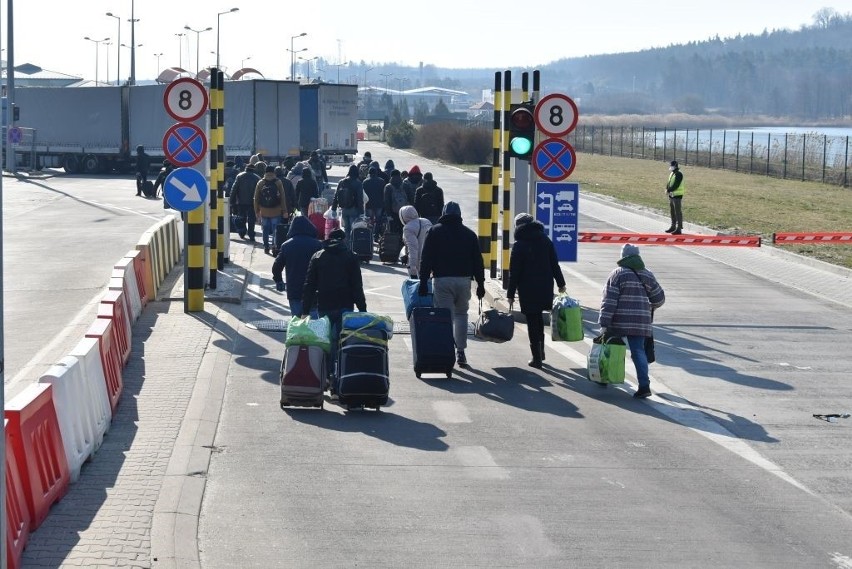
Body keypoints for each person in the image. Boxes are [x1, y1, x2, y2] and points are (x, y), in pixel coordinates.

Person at [418, 201, 486, 368]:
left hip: (442, 280)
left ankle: (446, 351)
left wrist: (423, 282)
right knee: (461, 315)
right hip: (463, 281)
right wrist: (481, 284)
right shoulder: (469, 234)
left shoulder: (434, 232)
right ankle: (461, 351)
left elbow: (426, 259)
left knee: (444, 318)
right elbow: (478, 261)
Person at [301, 228, 368, 392]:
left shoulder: (318, 256)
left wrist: (305, 310)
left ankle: (327, 376)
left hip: (325, 305)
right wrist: (362, 309)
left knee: (326, 342)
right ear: (343, 240)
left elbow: (309, 285)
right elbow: (357, 286)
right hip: (345, 305)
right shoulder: (351, 257)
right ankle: (341, 377)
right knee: (343, 342)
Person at [598, 244, 665, 399]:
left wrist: (604, 323)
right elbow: (659, 298)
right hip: (641, 321)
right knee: (638, 351)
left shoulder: (617, 274)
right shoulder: (648, 274)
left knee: (612, 347)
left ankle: (606, 376)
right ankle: (644, 386)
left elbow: (609, 301)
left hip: (618, 321)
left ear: (623, 256)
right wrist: (648, 307)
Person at [506, 213, 566, 368]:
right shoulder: (545, 240)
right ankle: (541, 352)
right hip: (545, 287)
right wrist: (561, 284)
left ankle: (537, 357)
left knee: (533, 321)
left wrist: (510, 294)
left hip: (528, 288)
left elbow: (515, 272)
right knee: (539, 319)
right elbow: (555, 264)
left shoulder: (519, 245)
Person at [271, 215, 323, 318]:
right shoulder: (317, 245)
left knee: (297, 322)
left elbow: (276, 267)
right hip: (313, 289)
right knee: (313, 322)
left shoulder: (286, 245)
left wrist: (279, 281)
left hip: (294, 289)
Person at [254, 164, 290, 255]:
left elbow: (256, 198)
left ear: (265, 172)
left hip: (264, 211)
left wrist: (257, 211)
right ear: (274, 172)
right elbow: (282, 197)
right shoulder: (278, 182)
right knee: (275, 230)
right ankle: (274, 247)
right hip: (276, 210)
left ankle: (266, 247)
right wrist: (285, 211)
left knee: (265, 230)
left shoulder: (260, 182)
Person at [331, 164, 365, 245]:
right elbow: (360, 199)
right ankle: (353, 247)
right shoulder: (358, 183)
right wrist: (362, 212)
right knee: (354, 229)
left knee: (346, 229)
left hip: (344, 209)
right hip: (354, 209)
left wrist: (333, 208)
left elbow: (336, 196)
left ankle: (346, 246)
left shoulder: (342, 182)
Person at [229, 161, 260, 242]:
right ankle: (251, 234)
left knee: (242, 217)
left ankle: (242, 232)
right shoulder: (257, 178)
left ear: (246, 168)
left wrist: (231, 201)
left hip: (241, 201)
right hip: (252, 202)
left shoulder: (239, 176)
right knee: (251, 219)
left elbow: (234, 189)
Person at [399, 205, 432, 278]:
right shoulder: (426, 221)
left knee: (418, 287)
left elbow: (413, 248)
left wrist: (412, 268)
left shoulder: (408, 228)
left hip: (419, 262)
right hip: (430, 260)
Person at [383, 169, 412, 235]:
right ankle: (403, 243)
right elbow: (411, 198)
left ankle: (395, 244)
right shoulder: (406, 185)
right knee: (404, 229)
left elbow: (386, 201)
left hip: (393, 212)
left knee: (393, 230)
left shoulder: (388, 187)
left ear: (391, 176)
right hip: (405, 212)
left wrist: (388, 214)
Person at [362, 162, 386, 241]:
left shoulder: (365, 182)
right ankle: (376, 236)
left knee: (369, 220)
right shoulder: (382, 181)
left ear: (369, 173)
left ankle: (369, 235)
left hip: (369, 204)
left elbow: (363, 195)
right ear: (376, 173)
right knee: (378, 220)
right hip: (379, 204)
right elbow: (383, 194)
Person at [665, 160, 685, 234]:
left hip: (677, 195)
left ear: (675, 166)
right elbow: (669, 182)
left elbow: (676, 185)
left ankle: (679, 228)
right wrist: (667, 189)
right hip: (672, 195)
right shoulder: (672, 173)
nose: (670, 167)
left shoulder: (679, 174)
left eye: (671, 166)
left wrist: (669, 190)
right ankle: (673, 226)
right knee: (672, 211)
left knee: (677, 212)